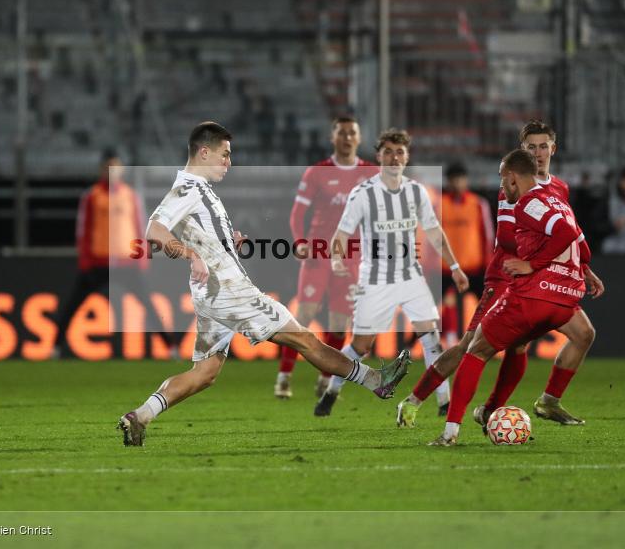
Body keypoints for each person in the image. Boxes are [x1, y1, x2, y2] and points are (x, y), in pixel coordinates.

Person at [116, 122, 411, 447]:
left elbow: (198, 236)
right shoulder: (188, 189)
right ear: (204, 152)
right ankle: (374, 380)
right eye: (224, 155)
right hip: (229, 291)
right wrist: (189, 254)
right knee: (306, 340)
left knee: (205, 373)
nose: (229, 163)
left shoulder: (202, 191)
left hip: (211, 295)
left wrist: (228, 243)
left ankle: (140, 416)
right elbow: (154, 230)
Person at [396, 120, 603, 429]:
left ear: (553, 149)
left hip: (544, 277)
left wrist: (582, 268)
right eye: (531, 147)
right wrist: (537, 260)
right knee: (471, 345)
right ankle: (413, 401)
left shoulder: (560, 188)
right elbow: (508, 236)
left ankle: (524, 405)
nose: (538, 152)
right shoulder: (513, 186)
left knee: (574, 335)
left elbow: (565, 233)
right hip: (508, 276)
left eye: (543, 146)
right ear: (522, 151)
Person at [430, 148, 595, 445]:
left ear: (513, 177)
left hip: (533, 296)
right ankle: (532, 402)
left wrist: (532, 264)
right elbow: (581, 243)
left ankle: (449, 433)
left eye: (502, 180)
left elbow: (563, 235)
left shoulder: (527, 205)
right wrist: (584, 269)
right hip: (565, 299)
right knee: (583, 333)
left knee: (476, 350)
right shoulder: (559, 201)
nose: (501, 187)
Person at [312, 128, 469, 417]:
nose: (394, 157)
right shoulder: (363, 193)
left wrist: (456, 267)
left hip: (411, 275)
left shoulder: (416, 191)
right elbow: (341, 234)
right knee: (360, 346)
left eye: (399, 152)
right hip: (375, 279)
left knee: (431, 338)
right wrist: (336, 260)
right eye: (388, 152)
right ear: (378, 156)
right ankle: (331, 392)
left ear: (407, 157)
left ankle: (443, 402)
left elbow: (435, 232)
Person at [274, 116, 379, 399]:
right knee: (305, 313)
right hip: (319, 251)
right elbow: (297, 214)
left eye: (352, 133)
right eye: (341, 133)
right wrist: (300, 242)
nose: (346, 138)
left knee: (339, 320)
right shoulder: (317, 172)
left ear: (359, 138)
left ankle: (324, 380)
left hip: (351, 255)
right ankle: (284, 376)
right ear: (333, 138)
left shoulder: (371, 172)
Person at [53, 151, 176, 358]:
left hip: (126, 262)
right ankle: (54, 347)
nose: (112, 172)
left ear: (121, 170)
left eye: (116, 167)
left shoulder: (130, 196)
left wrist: (142, 257)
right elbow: (83, 231)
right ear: (102, 170)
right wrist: (85, 261)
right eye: (109, 168)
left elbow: (140, 227)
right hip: (98, 263)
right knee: (73, 305)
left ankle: (170, 347)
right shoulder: (92, 196)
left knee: (148, 305)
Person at [438, 162, 493, 347]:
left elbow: (488, 235)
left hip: (475, 267)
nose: (456, 184)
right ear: (448, 181)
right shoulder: (439, 204)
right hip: (446, 268)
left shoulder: (478, 204)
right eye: (453, 180)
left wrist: (489, 264)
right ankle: (450, 340)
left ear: (466, 181)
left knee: (488, 305)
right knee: (442, 304)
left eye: (459, 179)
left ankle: (487, 339)